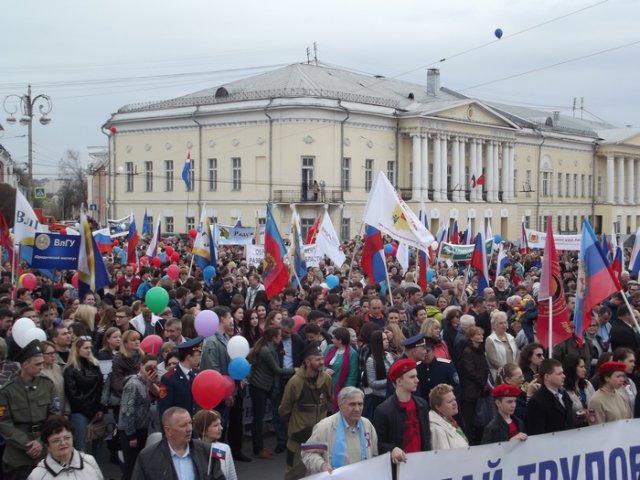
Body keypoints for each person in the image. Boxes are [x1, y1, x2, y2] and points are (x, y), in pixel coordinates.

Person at [0, 340, 59, 480]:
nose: (41, 367)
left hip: (44, 448)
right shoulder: (8, 391)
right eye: (37, 364)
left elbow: (54, 415)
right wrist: (26, 444)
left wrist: (40, 441)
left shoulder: (47, 385)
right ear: (25, 364)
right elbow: (3, 423)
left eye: (42, 363)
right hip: (18, 454)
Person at [278, 342, 333, 480]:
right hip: (299, 440)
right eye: (318, 359)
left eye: (322, 358)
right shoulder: (295, 382)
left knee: (323, 475)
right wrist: (295, 427)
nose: (322, 362)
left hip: (321, 439)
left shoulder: (326, 379)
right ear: (308, 361)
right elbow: (284, 410)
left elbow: (329, 402)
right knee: (294, 475)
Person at [132, 407, 225, 480]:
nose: (189, 429)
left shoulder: (208, 451)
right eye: (183, 425)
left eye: (190, 423)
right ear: (168, 430)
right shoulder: (147, 457)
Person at [301, 387, 377, 474]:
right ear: (340, 405)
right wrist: (322, 465)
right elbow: (308, 454)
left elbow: (374, 454)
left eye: (360, 404)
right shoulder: (325, 427)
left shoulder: (367, 425)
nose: (357, 409)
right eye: (352, 404)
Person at [248, 326, 294, 459]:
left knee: (259, 418)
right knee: (258, 419)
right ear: (274, 337)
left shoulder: (268, 347)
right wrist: (295, 370)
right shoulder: (266, 351)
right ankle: (258, 449)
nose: (281, 338)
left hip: (263, 386)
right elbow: (277, 370)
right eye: (279, 336)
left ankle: (259, 447)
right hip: (259, 387)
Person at [373, 359, 431, 465]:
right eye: (412, 377)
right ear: (399, 381)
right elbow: (377, 443)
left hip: (422, 463)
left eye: (416, 376)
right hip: (400, 466)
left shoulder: (422, 404)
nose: (417, 380)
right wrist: (392, 449)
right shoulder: (383, 410)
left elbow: (426, 436)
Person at [118, 354, 159, 480]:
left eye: (154, 368)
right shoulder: (133, 384)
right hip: (131, 431)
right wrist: (131, 435)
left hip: (142, 429)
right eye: (148, 368)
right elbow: (127, 410)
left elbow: (161, 394)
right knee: (130, 468)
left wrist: (152, 382)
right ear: (141, 366)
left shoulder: (146, 383)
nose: (151, 371)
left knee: (139, 466)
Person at [27, 416, 103, 480]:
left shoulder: (89, 461)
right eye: (56, 440)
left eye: (67, 437)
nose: (63, 443)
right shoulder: (37, 476)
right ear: (47, 446)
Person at [63, 336, 104, 453]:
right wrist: (90, 411)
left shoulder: (95, 365)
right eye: (86, 348)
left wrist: (100, 409)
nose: (89, 350)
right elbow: (73, 395)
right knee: (80, 446)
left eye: (90, 348)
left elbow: (101, 387)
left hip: (96, 409)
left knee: (98, 443)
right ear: (77, 349)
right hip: (80, 412)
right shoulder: (70, 370)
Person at [525, 358, 574, 435]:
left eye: (563, 373)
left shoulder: (564, 395)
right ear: (547, 377)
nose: (564, 376)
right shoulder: (536, 402)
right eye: (559, 374)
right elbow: (536, 432)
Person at [158, 337, 204, 418]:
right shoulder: (167, 378)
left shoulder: (199, 374)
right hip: (179, 426)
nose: (200, 358)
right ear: (189, 357)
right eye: (198, 355)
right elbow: (164, 409)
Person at [459, 326, 489, 445]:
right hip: (471, 390)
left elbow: (484, 367)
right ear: (471, 337)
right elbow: (470, 371)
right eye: (478, 335)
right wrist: (482, 382)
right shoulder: (468, 351)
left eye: (482, 334)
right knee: (470, 419)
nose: (481, 336)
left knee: (481, 417)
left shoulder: (480, 350)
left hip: (480, 388)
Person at [192, 409, 237, 480]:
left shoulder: (225, 448)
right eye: (215, 425)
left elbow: (231, 475)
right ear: (203, 430)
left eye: (220, 424)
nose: (221, 428)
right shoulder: (193, 449)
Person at [324, 327, 358, 412]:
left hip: (339, 388)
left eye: (334, 338)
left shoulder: (352, 353)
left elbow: (352, 375)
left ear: (340, 340)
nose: (332, 340)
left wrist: (346, 392)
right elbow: (320, 363)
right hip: (324, 386)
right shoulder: (329, 348)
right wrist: (325, 370)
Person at [363, 330, 394, 419]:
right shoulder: (371, 360)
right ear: (377, 342)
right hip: (380, 397)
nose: (387, 341)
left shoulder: (388, 355)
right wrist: (390, 381)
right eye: (384, 339)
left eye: (387, 339)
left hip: (392, 394)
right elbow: (372, 383)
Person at [428, 383, 468, 450]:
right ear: (438, 407)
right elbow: (443, 458)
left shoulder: (450, 421)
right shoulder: (437, 429)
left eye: (454, 399)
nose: (454, 403)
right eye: (450, 401)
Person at [485, 310, 519, 384]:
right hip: (500, 374)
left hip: (514, 373)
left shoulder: (511, 337)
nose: (503, 325)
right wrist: (508, 371)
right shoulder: (490, 340)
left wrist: (515, 368)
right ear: (494, 326)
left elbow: (517, 354)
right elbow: (493, 360)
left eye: (505, 322)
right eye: (500, 323)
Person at [562, 354, 595, 428]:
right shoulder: (563, 389)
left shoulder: (587, 384)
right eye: (581, 367)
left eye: (584, 367)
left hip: (591, 426)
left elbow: (595, 402)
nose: (584, 370)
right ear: (572, 368)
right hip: (574, 429)